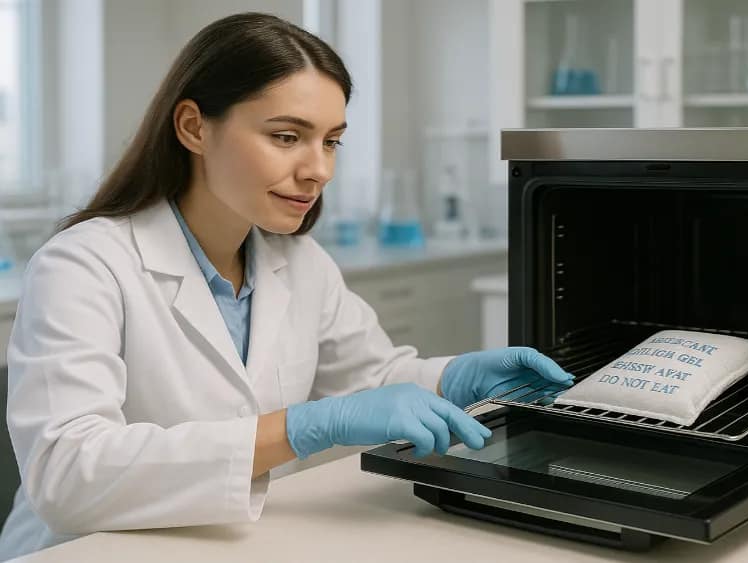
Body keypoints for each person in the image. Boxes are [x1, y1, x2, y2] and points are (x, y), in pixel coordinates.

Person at [0, 13, 572, 559]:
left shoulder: (298, 261)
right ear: (194, 127)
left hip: (244, 543)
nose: (318, 169)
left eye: (331, 141)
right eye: (286, 136)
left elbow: (371, 379)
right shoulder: (84, 263)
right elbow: (66, 475)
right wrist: (302, 427)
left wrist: (456, 379)